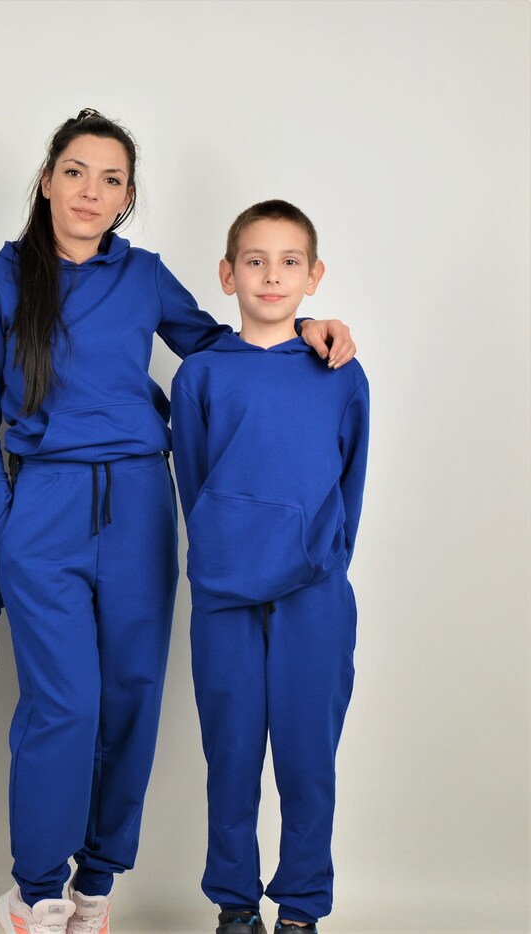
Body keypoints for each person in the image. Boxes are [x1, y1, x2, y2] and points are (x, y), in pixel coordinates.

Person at [0, 110, 356, 934]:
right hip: (43, 507)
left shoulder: (144, 275)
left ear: (127, 197)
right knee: (65, 702)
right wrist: (1, 515)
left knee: (133, 695)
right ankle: (37, 889)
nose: (90, 191)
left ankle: (96, 885)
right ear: (47, 180)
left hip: (139, 501)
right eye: (75, 172)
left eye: (111, 179)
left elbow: (220, 349)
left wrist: (309, 327)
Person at [170, 200, 368, 934]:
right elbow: (195, 481)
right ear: (228, 275)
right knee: (231, 757)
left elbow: (351, 479)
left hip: (314, 595)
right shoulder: (200, 375)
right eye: (255, 261)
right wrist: (222, 549)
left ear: (314, 276)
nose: (272, 275)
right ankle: (235, 905)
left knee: (308, 762)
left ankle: (301, 911)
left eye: (290, 262)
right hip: (225, 594)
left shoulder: (339, 371)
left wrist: (322, 559)